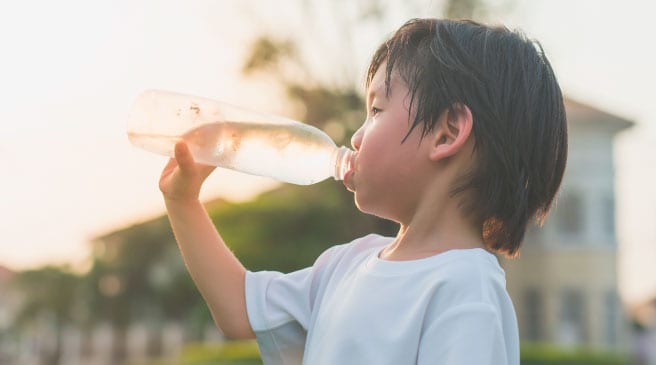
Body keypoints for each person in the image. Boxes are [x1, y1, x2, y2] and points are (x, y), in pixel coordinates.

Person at [158, 18, 567, 364]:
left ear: (448, 132)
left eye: (375, 110)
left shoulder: (465, 290)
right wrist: (183, 202)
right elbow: (239, 309)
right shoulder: (346, 264)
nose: (355, 136)